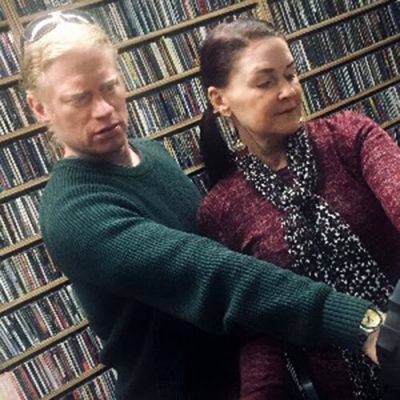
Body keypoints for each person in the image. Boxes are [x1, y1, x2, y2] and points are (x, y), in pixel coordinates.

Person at [21, 10, 385, 400]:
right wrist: (361, 324)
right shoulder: (74, 214)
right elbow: (214, 277)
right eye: (79, 99)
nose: (104, 109)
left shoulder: (150, 153)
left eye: (110, 87)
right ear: (39, 108)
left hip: (244, 376)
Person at [197, 19, 400, 400]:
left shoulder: (349, 137)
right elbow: (259, 323)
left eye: (291, 75)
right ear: (220, 100)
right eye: (265, 82)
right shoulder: (221, 210)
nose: (289, 91)